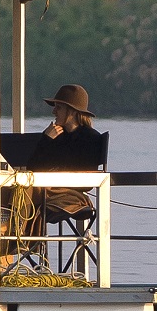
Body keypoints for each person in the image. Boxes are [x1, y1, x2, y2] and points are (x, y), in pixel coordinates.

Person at [23, 81, 102, 271]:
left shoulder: (91, 138)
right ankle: (18, 240)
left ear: (72, 111)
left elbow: (87, 177)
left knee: (27, 193)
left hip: (71, 195)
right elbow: (32, 168)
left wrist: (55, 173)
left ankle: (21, 241)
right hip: (46, 191)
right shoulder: (54, 137)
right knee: (18, 191)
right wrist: (45, 140)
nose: (53, 112)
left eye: (58, 107)